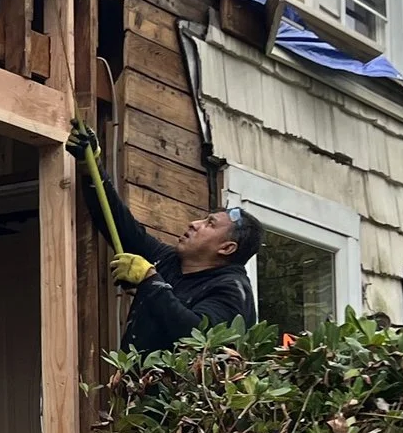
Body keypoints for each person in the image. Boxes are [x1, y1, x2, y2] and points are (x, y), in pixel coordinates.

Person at [68, 128, 261, 353]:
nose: (194, 223)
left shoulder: (232, 291)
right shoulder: (170, 261)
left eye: (210, 224)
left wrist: (150, 281)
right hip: (135, 386)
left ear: (227, 248)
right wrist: (91, 166)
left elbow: (195, 337)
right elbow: (122, 228)